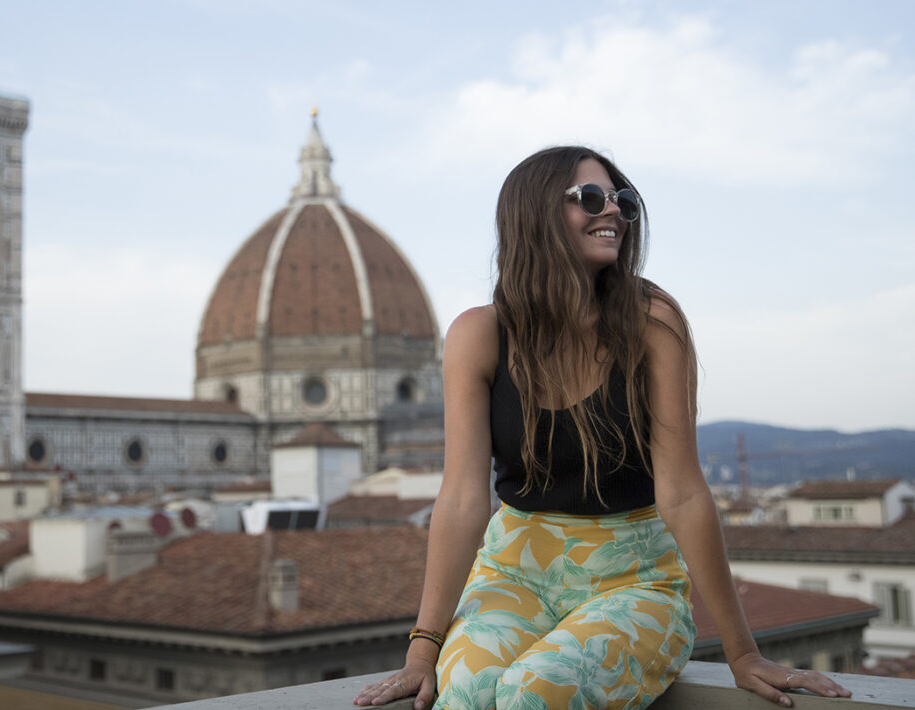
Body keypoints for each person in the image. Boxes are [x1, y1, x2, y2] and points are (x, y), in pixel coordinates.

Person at [354, 147, 852, 710]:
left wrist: (743, 654)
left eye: (623, 201)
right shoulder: (480, 334)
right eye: (590, 198)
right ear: (533, 214)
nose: (611, 211)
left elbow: (683, 493)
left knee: (533, 693)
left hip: (634, 579)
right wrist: (423, 651)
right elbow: (463, 499)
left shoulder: (650, 322)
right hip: (514, 574)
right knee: (463, 692)